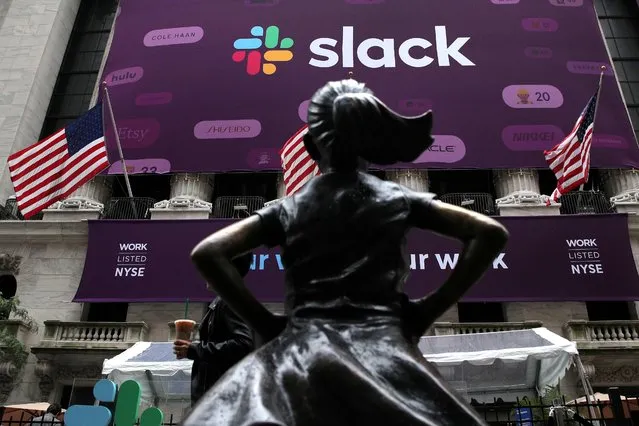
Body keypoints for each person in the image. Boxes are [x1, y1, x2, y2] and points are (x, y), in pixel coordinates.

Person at [183, 78, 509, 425]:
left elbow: (209, 252)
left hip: (301, 349)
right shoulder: (397, 199)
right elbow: (489, 232)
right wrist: (427, 311)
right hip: (384, 348)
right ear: (370, 144)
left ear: (309, 146)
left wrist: (264, 322)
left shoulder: (290, 208)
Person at [173, 252, 254, 405]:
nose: (205, 272)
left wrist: (195, 350)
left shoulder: (230, 300)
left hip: (219, 399)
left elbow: (244, 344)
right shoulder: (223, 301)